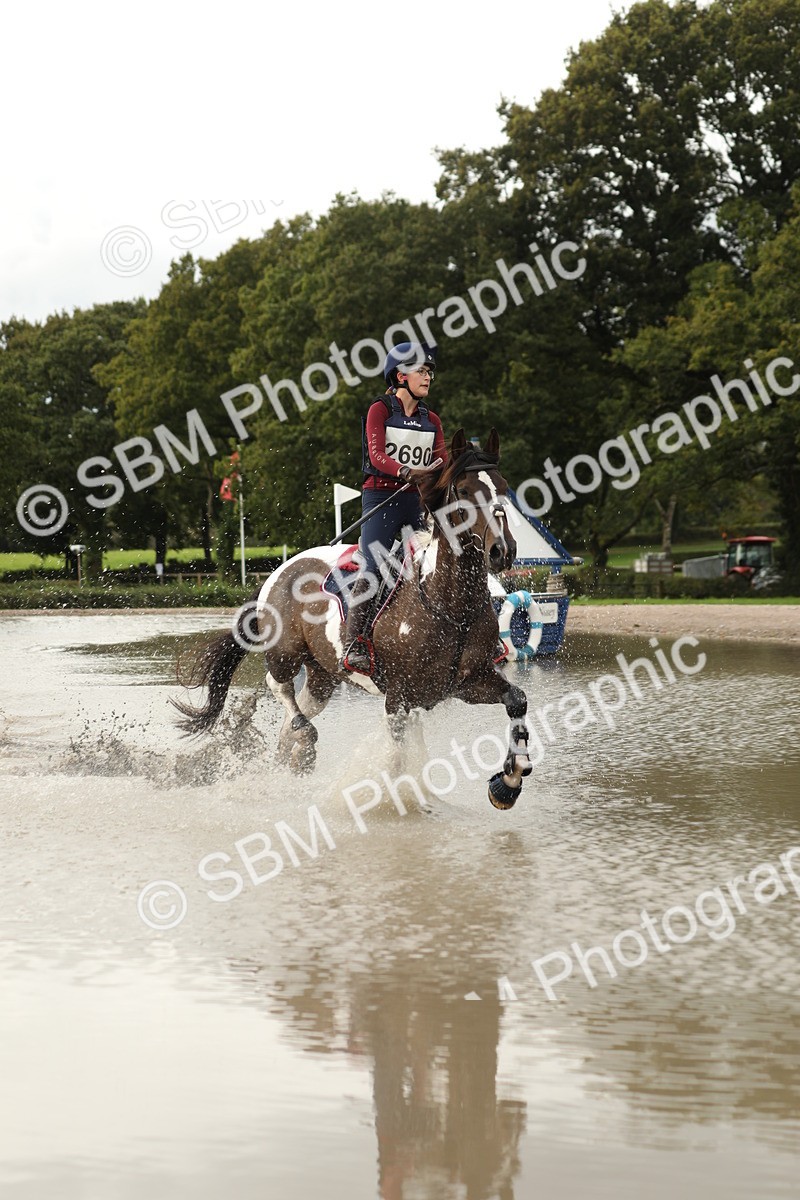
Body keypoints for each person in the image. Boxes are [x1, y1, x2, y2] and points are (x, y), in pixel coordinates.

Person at [339, 341, 446, 674]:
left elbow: (442, 459)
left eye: (430, 372)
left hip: (416, 501)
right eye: (421, 371)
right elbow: (377, 457)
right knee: (372, 564)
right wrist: (407, 472)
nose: (427, 377)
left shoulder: (433, 419)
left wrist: (442, 470)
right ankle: (353, 642)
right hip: (381, 498)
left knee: (448, 554)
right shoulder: (380, 410)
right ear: (400, 375)